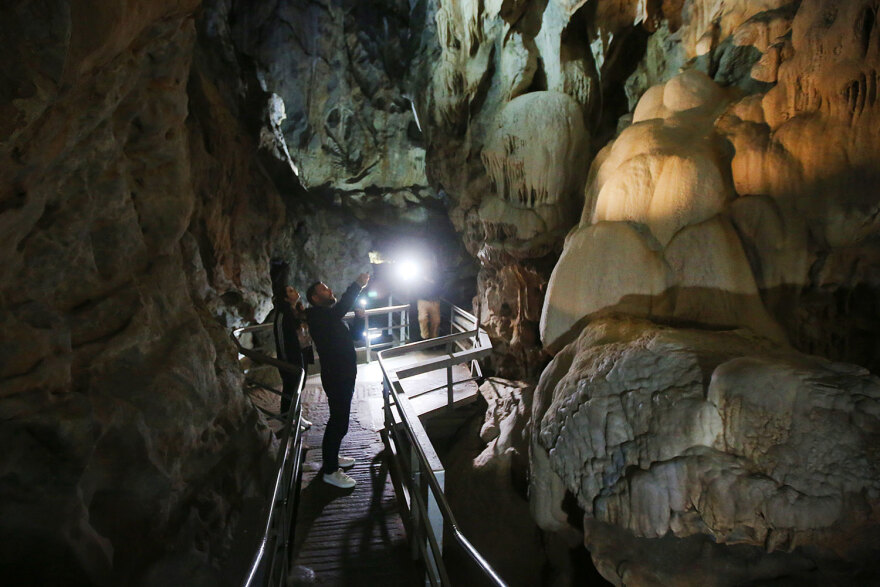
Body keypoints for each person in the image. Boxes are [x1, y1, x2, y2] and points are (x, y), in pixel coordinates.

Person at [306, 272, 370, 489]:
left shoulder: (329, 316)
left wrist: (360, 321)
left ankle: (331, 458)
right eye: (324, 289)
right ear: (314, 298)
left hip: (344, 373)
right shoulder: (316, 316)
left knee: (340, 420)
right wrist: (357, 285)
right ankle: (330, 471)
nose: (329, 290)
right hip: (336, 375)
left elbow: (354, 337)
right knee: (338, 422)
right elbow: (341, 308)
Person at [271, 267, 313, 425]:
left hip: (302, 352)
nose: (294, 291)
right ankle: (286, 419)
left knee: (299, 386)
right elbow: (281, 339)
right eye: (290, 291)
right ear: (285, 298)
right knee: (291, 388)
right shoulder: (283, 315)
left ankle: (296, 416)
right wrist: (285, 361)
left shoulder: (299, 311)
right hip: (290, 357)